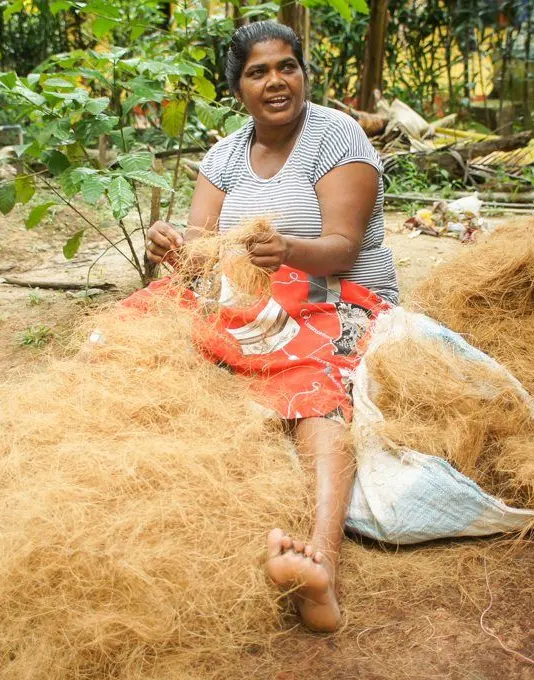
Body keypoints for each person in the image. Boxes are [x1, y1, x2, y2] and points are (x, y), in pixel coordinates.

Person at [144, 20, 398, 633]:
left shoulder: (336, 138)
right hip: (253, 299)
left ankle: (322, 567)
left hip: (338, 293)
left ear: (304, 74)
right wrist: (173, 249)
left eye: (287, 66)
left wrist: (285, 250)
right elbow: (203, 251)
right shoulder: (224, 156)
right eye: (259, 71)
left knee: (316, 382)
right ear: (238, 87)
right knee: (142, 328)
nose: (277, 81)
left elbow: (341, 247)